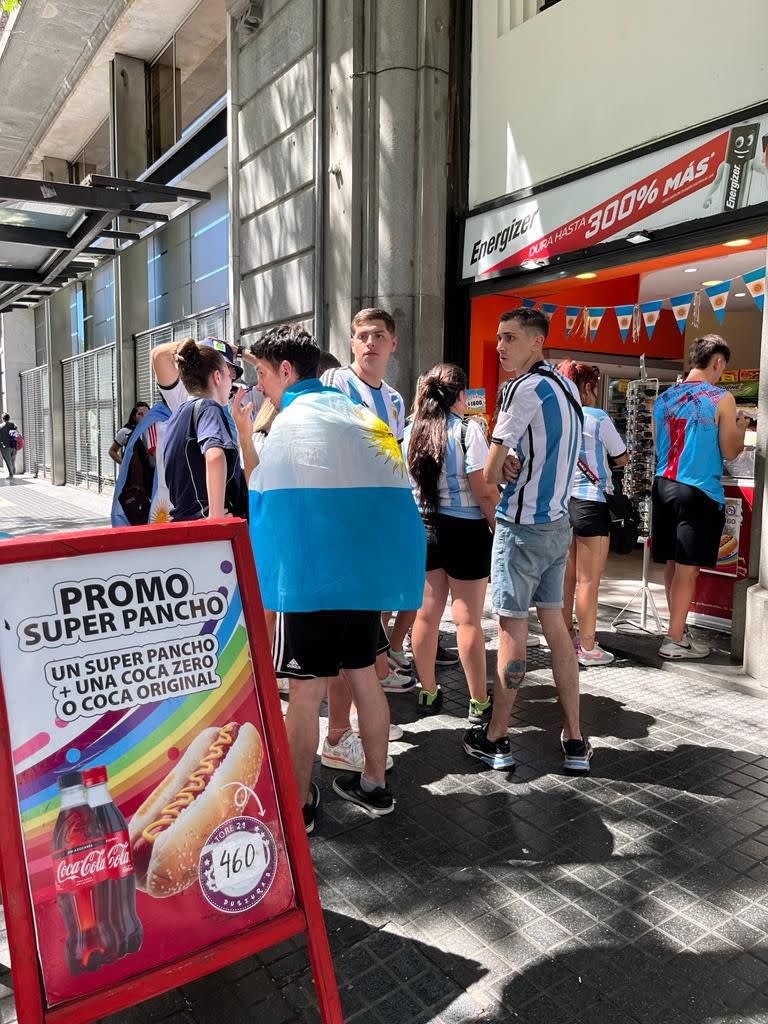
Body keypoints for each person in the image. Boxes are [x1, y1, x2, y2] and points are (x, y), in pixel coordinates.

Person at [233, 324, 425, 831]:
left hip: (308, 582)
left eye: (262, 373)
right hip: (359, 580)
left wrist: (243, 435)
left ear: (287, 370)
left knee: (304, 693)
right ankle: (375, 785)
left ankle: (298, 804)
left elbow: (262, 495)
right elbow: (393, 488)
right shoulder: (361, 414)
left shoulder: (290, 423)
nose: (259, 384)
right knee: (365, 677)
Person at [465, 307, 591, 774]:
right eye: (498, 337)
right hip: (559, 525)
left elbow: (491, 469)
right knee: (556, 629)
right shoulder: (566, 386)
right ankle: (575, 738)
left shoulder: (523, 388)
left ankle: (496, 737)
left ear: (536, 342)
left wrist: (506, 465)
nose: (500, 346)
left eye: (509, 337)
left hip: (521, 529)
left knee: (513, 631)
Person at [403, 364, 499, 721]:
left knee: (426, 616)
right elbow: (483, 491)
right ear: (461, 395)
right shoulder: (468, 432)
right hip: (467, 530)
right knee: (467, 620)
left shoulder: (409, 431)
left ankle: (427, 691)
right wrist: (498, 529)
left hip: (424, 528)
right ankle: (478, 700)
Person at [652, 334, 746, 659]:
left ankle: (676, 628)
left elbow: (657, 443)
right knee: (689, 568)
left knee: (674, 563)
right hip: (699, 491)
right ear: (717, 363)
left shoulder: (664, 398)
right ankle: (674, 638)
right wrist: (741, 427)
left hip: (663, 485)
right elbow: (730, 450)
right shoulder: (722, 398)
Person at [557, 360, 628, 666]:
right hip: (591, 503)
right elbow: (622, 456)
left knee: (567, 580)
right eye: (594, 386)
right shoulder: (596, 418)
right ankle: (587, 647)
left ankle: (563, 638)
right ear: (585, 387)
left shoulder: (557, 417)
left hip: (562, 505)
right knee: (589, 581)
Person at [163, 339, 247, 522]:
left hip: (187, 525)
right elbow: (215, 456)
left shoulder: (176, 416)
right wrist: (216, 517)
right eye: (228, 375)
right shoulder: (209, 408)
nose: (232, 381)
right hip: (208, 533)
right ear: (217, 377)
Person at [0, 413, 18, 480]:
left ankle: (11, 475)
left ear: (2, 418)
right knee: (12, 460)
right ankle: (13, 471)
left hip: (5, 446)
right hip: (14, 445)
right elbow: (16, 434)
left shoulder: (1, 426)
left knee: (8, 461)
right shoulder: (13, 425)